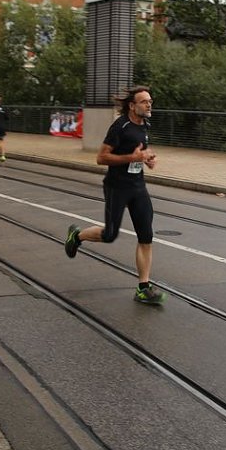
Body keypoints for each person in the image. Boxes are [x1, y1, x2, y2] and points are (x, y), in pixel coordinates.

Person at [64, 86, 165, 305]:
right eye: (144, 101)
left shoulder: (145, 124)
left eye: (150, 101)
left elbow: (140, 153)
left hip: (138, 187)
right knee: (110, 234)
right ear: (132, 106)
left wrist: (147, 159)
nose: (149, 105)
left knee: (146, 236)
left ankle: (143, 288)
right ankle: (77, 236)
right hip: (117, 187)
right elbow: (101, 158)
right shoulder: (120, 127)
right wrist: (131, 157)